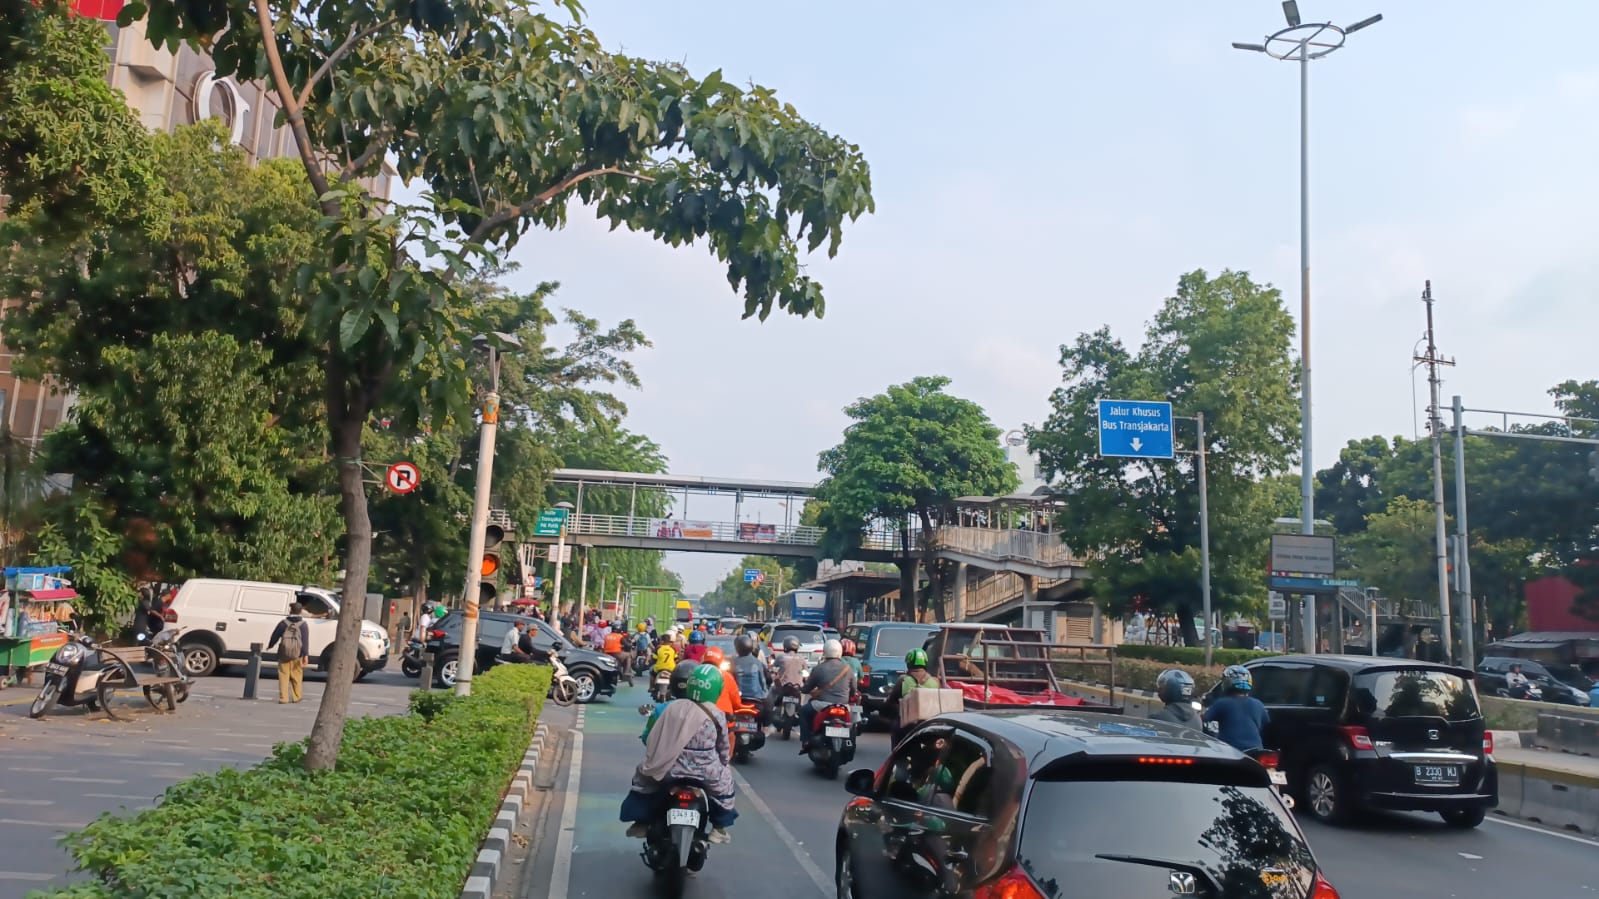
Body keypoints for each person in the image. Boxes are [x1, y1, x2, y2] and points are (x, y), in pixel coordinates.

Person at [621, 664, 738, 845]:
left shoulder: (671, 708)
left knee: (643, 779)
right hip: (706, 772)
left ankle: (640, 822)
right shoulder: (717, 714)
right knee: (725, 787)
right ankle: (719, 828)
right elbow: (723, 746)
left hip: (670, 769)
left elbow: (653, 738)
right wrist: (723, 764)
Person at [799, 639, 854, 747]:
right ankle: (850, 741)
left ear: (825, 652)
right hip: (843, 706)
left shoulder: (818, 668)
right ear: (840, 652)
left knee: (803, 712)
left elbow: (806, 689)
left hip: (822, 705)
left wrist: (805, 690)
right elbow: (853, 689)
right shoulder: (848, 669)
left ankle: (806, 740)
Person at [1204, 665, 1269, 752]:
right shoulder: (1258, 704)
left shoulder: (1222, 703)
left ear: (1226, 682)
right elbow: (1266, 724)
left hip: (1231, 750)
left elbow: (1203, 720)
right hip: (1256, 749)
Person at [886, 649, 941, 745]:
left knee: (895, 729)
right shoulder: (935, 681)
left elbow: (891, 701)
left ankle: (896, 757)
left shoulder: (903, 680)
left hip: (907, 725)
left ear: (908, 664)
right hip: (930, 724)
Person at [266, 603, 311, 704]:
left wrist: (270, 645)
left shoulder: (283, 623)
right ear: (300, 611)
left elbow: (275, 636)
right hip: (297, 654)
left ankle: (283, 698)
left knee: (283, 675)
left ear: (290, 611)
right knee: (297, 675)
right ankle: (297, 697)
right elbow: (305, 641)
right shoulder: (303, 625)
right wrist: (305, 655)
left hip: (284, 654)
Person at [730, 635, 770, 719]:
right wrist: (765, 694)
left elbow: (728, 680)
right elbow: (762, 682)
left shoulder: (732, 662)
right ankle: (765, 728)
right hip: (756, 698)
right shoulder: (758, 662)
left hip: (738, 699)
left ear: (737, 648)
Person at [701, 647, 744, 716]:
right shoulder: (727, 676)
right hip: (725, 720)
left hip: (702, 719)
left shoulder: (698, 674)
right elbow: (736, 702)